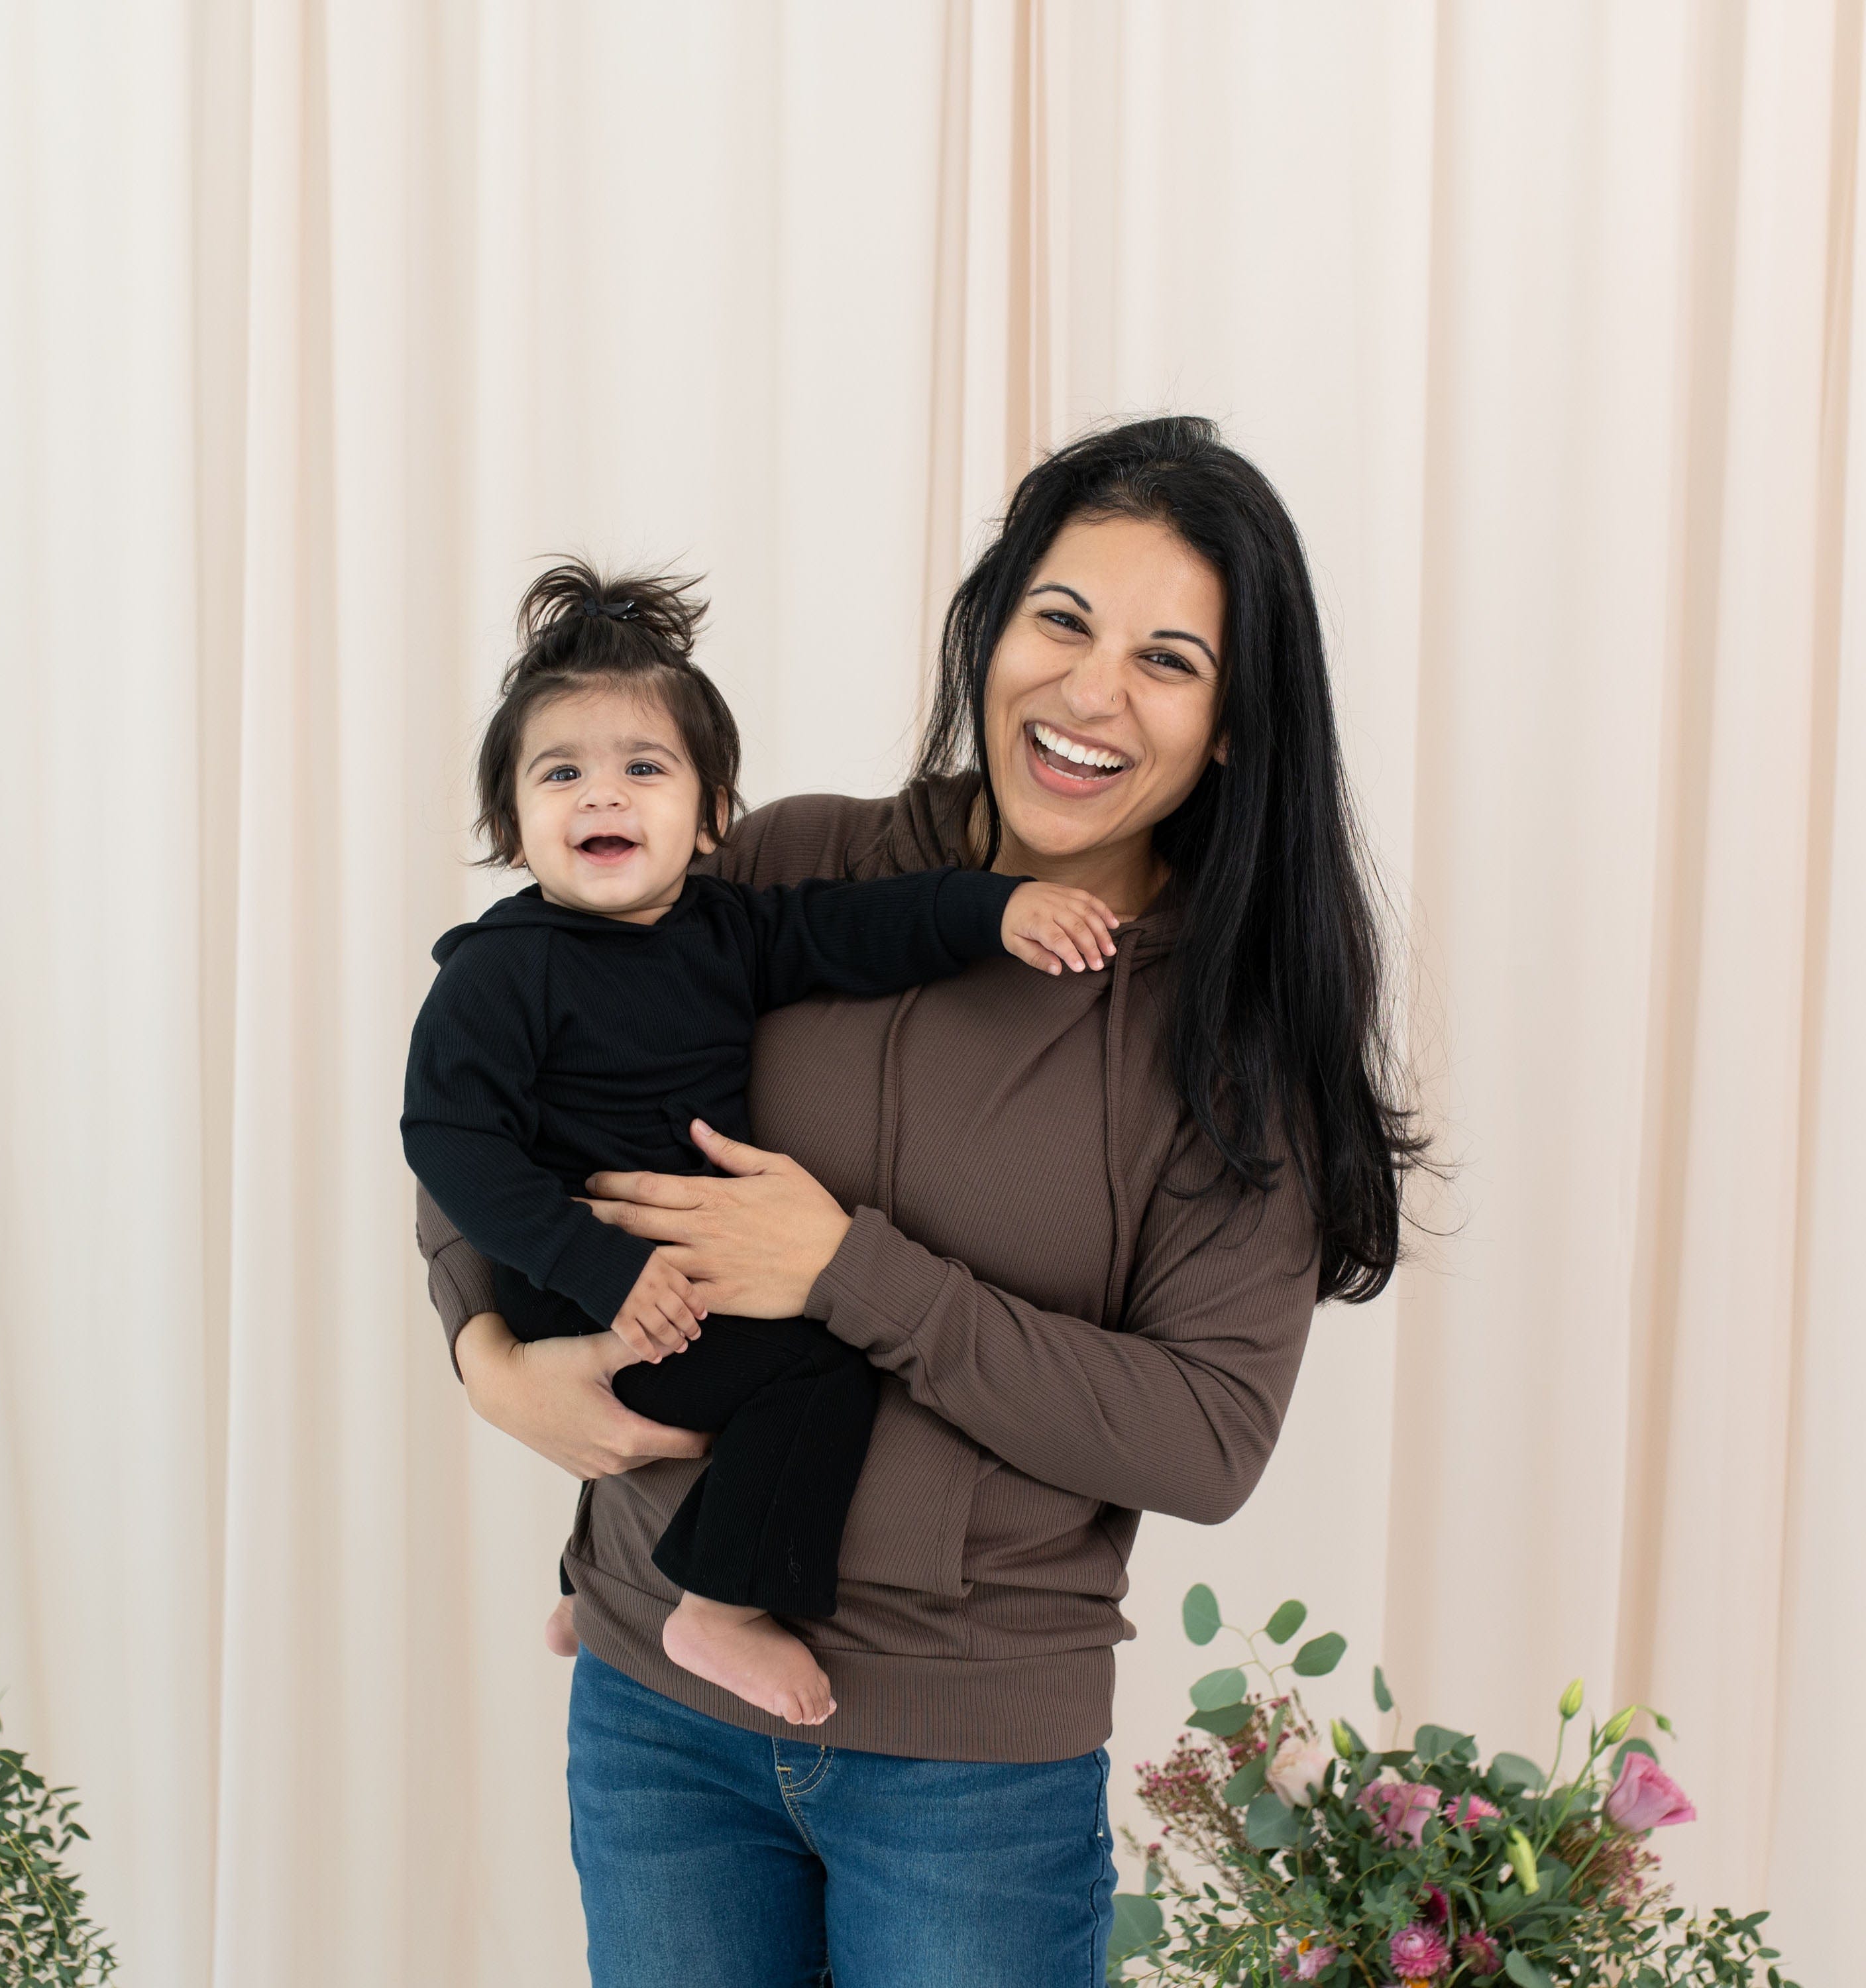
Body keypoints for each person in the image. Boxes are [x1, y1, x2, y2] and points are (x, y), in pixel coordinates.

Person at [414, 417, 1421, 1987]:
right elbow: (502, 1086)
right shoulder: (794, 867)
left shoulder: (1234, 1047)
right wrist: (488, 1361)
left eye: (1169, 660)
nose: (1091, 695)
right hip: (655, 1712)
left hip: (968, 1783)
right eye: (1063, 621)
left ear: (1233, 726)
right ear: (992, 626)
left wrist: (841, 1270)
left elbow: (1206, 1440)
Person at [402, 561, 1121, 1726]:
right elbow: (449, 1143)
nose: (604, 797)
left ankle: (598, 1597)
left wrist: (998, 910)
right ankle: (721, 1608)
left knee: (775, 1361)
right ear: (511, 821)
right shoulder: (499, 970)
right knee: (816, 1365)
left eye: (644, 769)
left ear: (714, 814)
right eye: (562, 774)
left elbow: (860, 931)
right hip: (584, 1288)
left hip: (680, 1279)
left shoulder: (725, 928)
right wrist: (598, 1272)